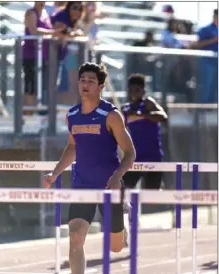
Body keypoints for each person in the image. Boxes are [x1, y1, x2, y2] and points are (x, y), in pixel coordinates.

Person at [44, 63, 136, 274]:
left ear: (101, 86)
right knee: (75, 235)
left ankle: (123, 222)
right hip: (82, 184)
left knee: (116, 247)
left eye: (91, 81)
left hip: (109, 185)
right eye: (82, 80)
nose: (85, 84)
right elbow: (73, 146)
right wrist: (55, 173)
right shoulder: (72, 115)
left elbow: (130, 152)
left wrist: (117, 177)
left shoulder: (111, 115)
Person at [121, 74, 168, 191]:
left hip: (153, 156)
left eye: (137, 90)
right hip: (135, 158)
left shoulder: (148, 103)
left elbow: (163, 117)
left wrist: (142, 115)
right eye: (131, 90)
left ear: (143, 91)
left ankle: (160, 186)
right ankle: (126, 209)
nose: (134, 94)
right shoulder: (126, 109)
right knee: (123, 189)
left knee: (152, 195)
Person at [22, 1, 63, 115]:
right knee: (30, 86)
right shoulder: (31, 13)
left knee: (38, 86)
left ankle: (33, 114)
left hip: (43, 56)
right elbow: (33, 30)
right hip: (31, 56)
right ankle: (26, 116)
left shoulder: (45, 13)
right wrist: (53, 32)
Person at [51, 1, 85, 106]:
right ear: (68, 7)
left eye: (80, 9)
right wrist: (72, 33)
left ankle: (65, 109)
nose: (77, 11)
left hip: (63, 56)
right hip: (51, 56)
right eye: (74, 7)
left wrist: (72, 33)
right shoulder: (62, 15)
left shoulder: (73, 21)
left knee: (69, 84)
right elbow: (58, 30)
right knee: (62, 85)